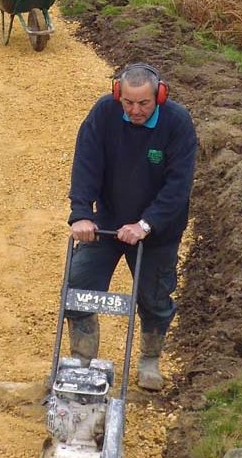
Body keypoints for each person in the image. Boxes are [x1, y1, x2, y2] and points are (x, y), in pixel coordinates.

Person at [65, 63, 197, 391]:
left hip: (157, 231)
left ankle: (149, 359)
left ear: (160, 96)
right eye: (128, 103)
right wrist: (82, 214)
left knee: (154, 297)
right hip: (108, 224)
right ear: (117, 95)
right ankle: (82, 362)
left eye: (143, 104)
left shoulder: (177, 124)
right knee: (79, 287)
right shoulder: (104, 114)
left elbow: (178, 187)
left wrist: (145, 224)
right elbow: (86, 163)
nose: (135, 110)